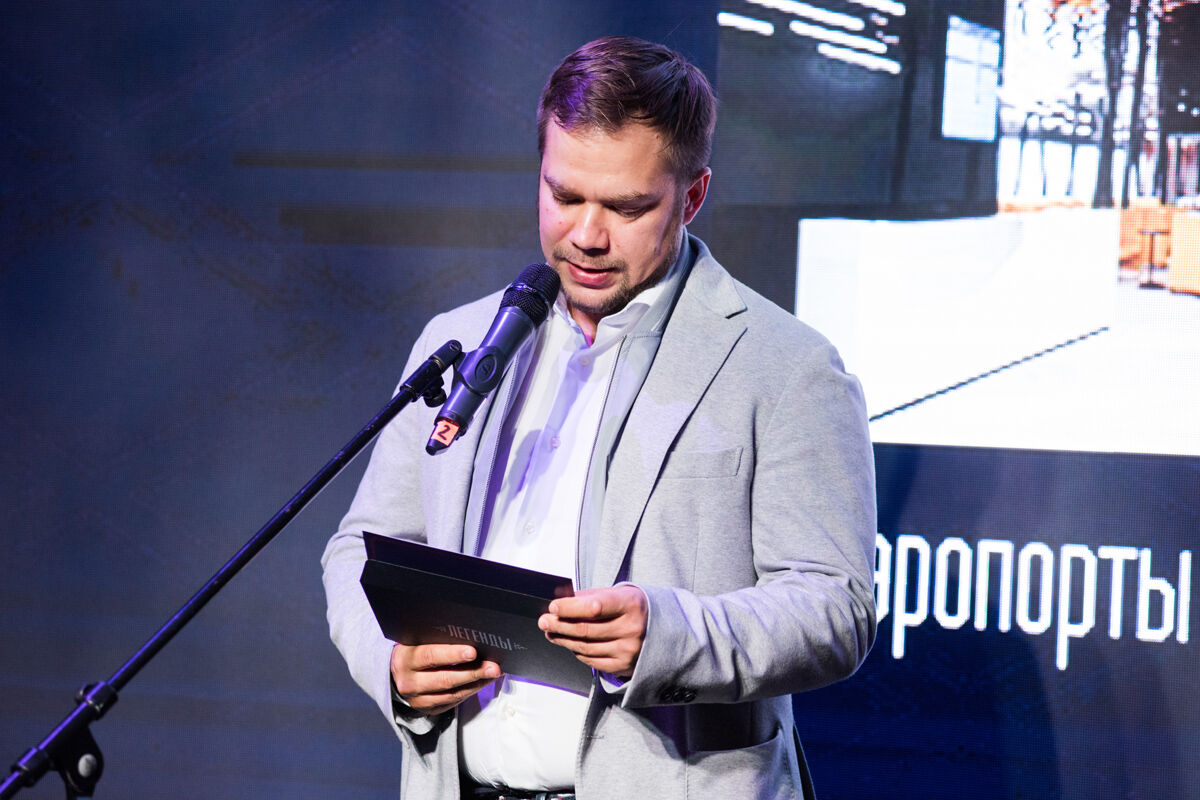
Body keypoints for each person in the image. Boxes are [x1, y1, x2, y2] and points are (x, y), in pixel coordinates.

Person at [322, 35, 877, 800]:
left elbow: (834, 607)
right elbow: (361, 545)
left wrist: (672, 633)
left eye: (626, 207)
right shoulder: (461, 341)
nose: (586, 235)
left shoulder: (787, 366)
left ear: (692, 196)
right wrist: (392, 664)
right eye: (564, 195)